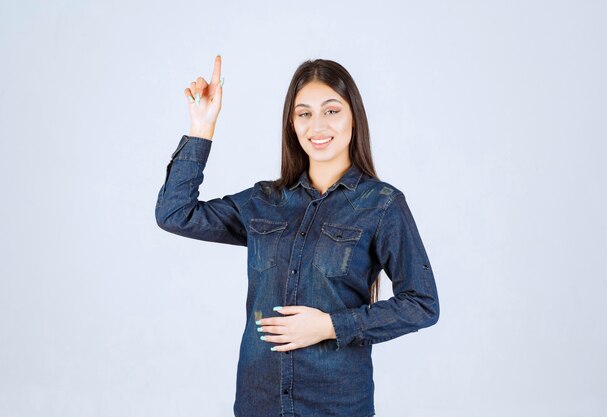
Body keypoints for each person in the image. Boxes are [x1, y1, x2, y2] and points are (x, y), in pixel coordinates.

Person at [155, 54, 440, 417]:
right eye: (304, 113)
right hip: (259, 403)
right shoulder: (265, 202)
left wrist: (329, 326)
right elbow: (175, 213)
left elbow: (422, 303)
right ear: (292, 124)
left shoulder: (382, 205)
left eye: (331, 110)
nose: (317, 125)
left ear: (354, 117)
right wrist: (201, 128)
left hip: (337, 406)